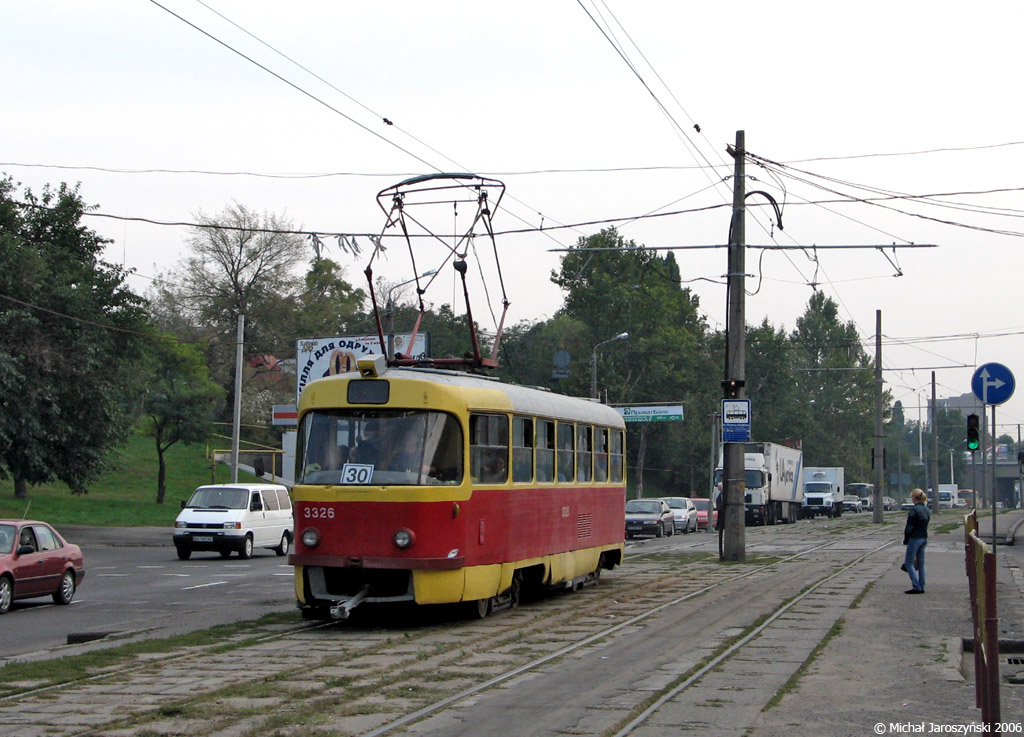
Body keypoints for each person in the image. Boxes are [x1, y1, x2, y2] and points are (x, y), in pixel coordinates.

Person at [902, 488, 930, 594]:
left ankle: (916, 586)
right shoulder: (926, 509)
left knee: (909, 562)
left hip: (915, 538)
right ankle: (922, 585)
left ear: (914, 498)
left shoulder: (914, 510)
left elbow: (910, 526)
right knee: (921, 563)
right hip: (924, 537)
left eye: (912, 497)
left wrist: (906, 539)